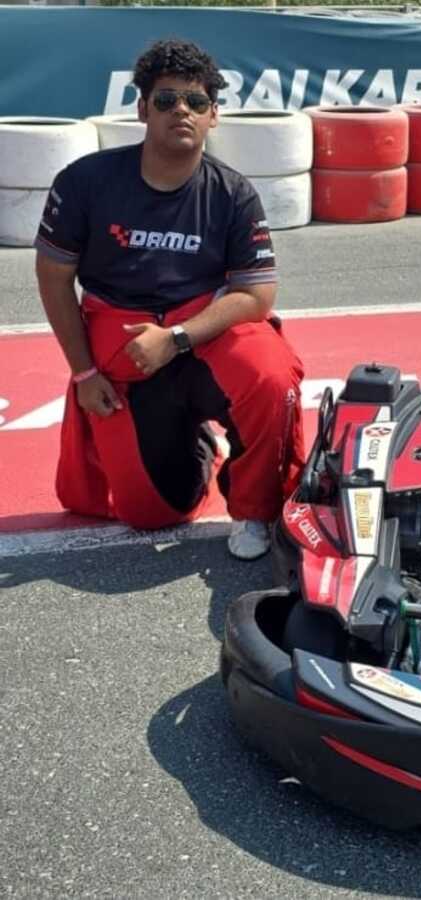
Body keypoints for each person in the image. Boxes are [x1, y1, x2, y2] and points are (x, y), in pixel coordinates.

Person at [34, 39, 305, 560]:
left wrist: (176, 338)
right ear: (142, 110)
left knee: (271, 373)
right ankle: (197, 444)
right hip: (119, 343)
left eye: (197, 102)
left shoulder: (233, 193)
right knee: (150, 515)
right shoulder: (84, 182)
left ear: (213, 117)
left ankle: (253, 511)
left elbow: (256, 294)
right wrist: (85, 375)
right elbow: (52, 276)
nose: (182, 110)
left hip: (200, 331)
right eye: (166, 100)